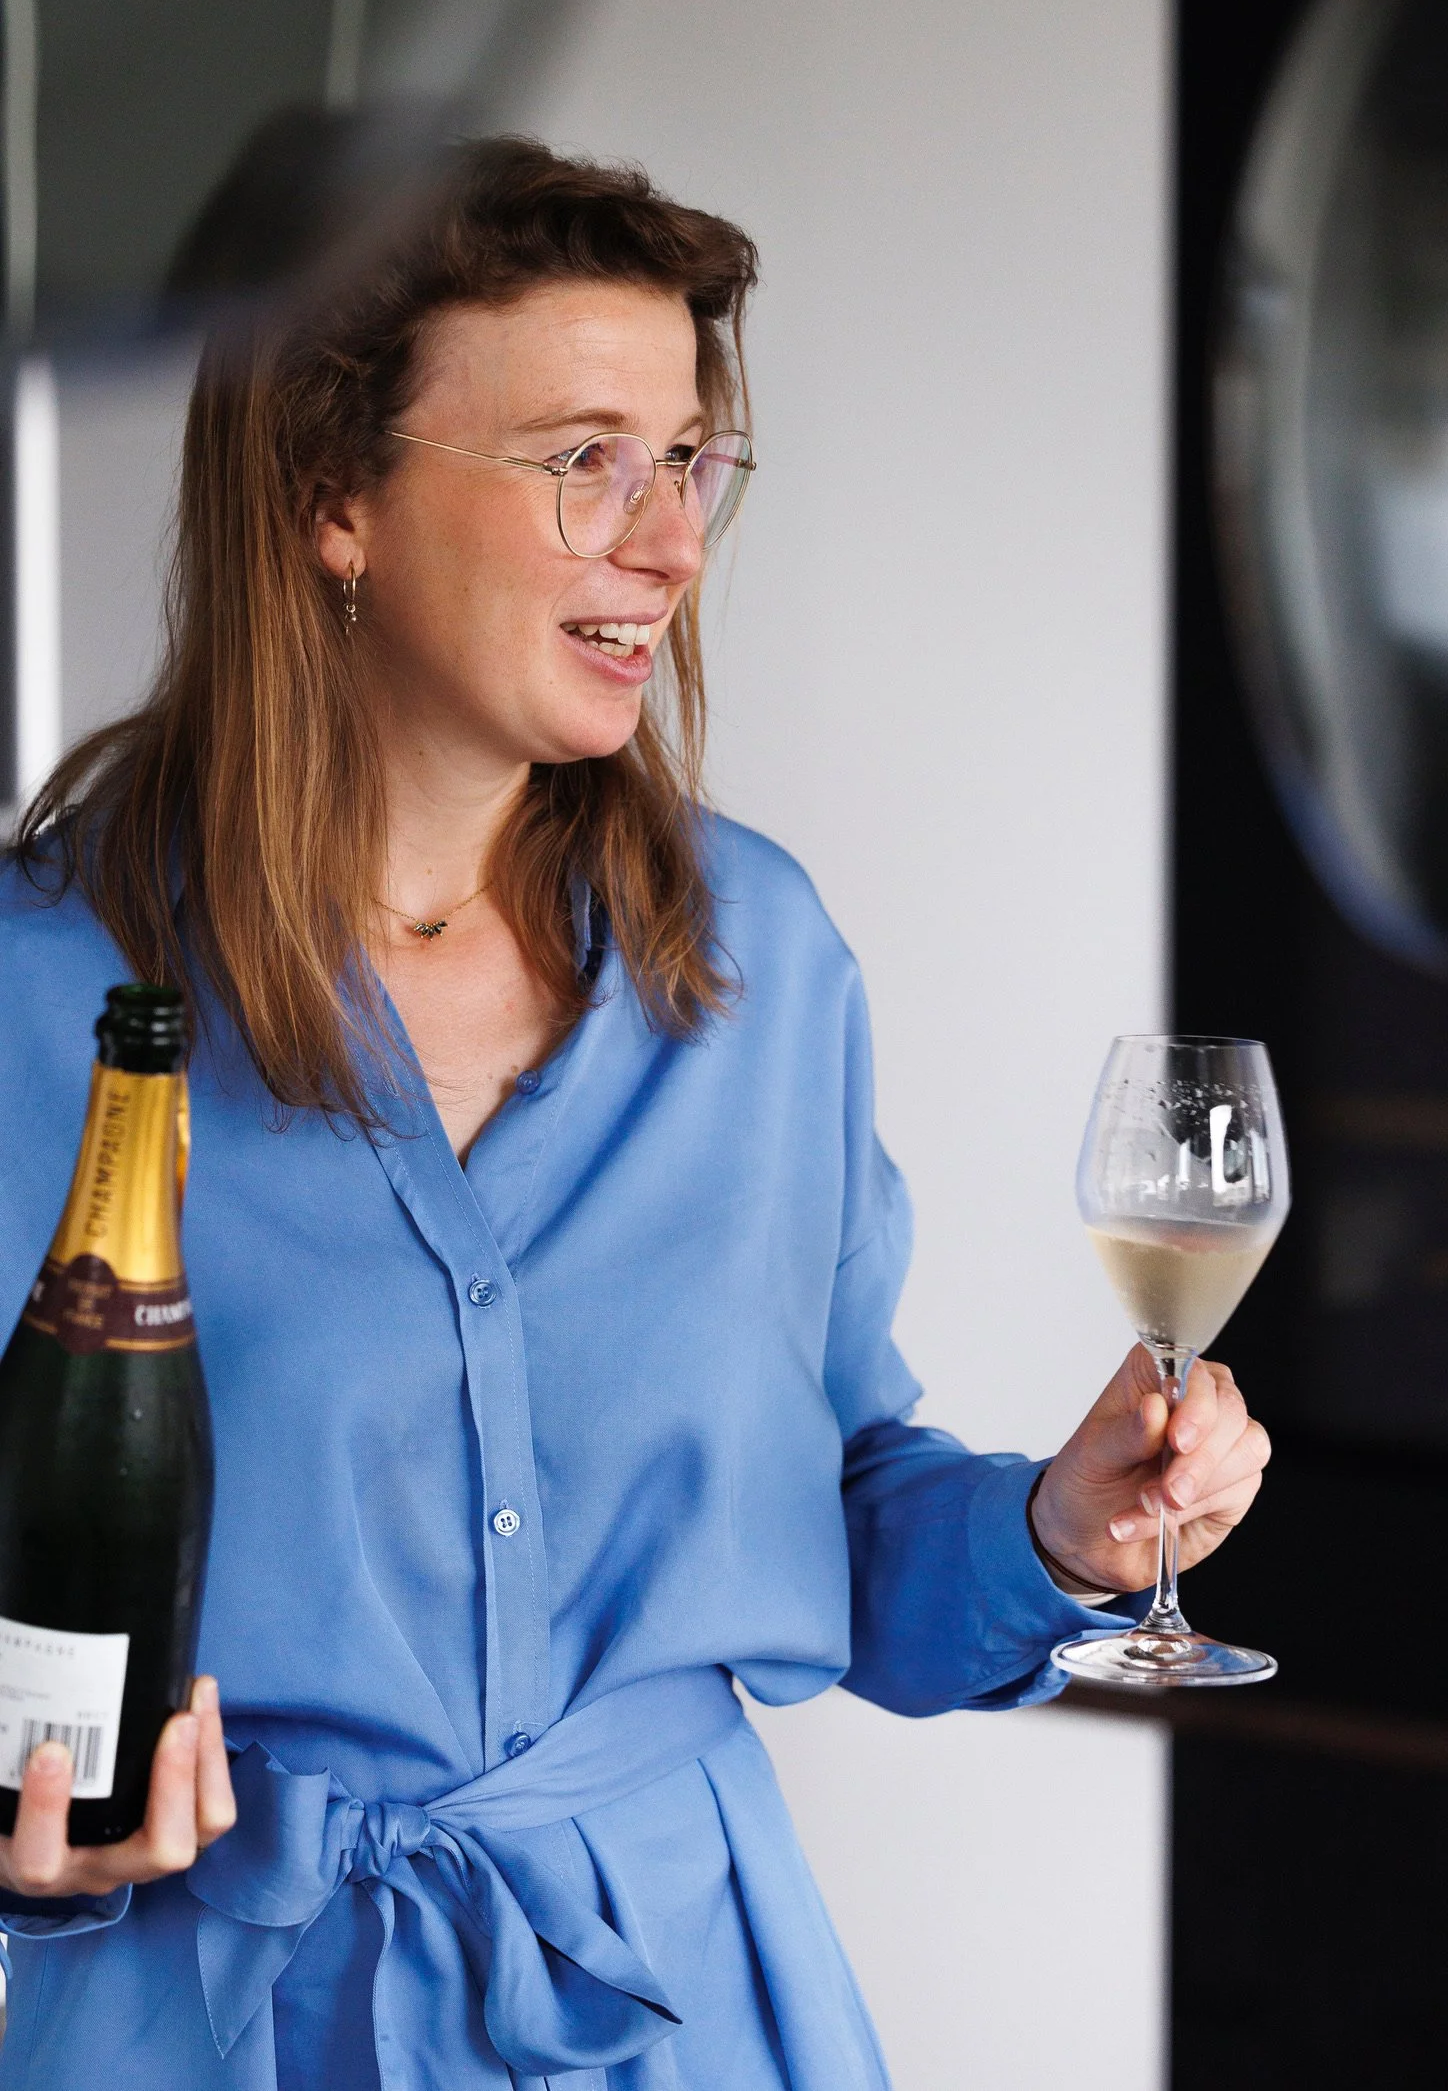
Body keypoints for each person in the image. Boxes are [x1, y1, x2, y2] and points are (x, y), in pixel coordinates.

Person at [0, 138, 1270, 2090]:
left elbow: (840, 1523)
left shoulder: (756, 961)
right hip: (216, 2017)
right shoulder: (42, 990)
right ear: (332, 498)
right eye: (582, 457)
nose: (669, 544)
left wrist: (1057, 1533)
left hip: (684, 2009)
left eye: (686, 461)